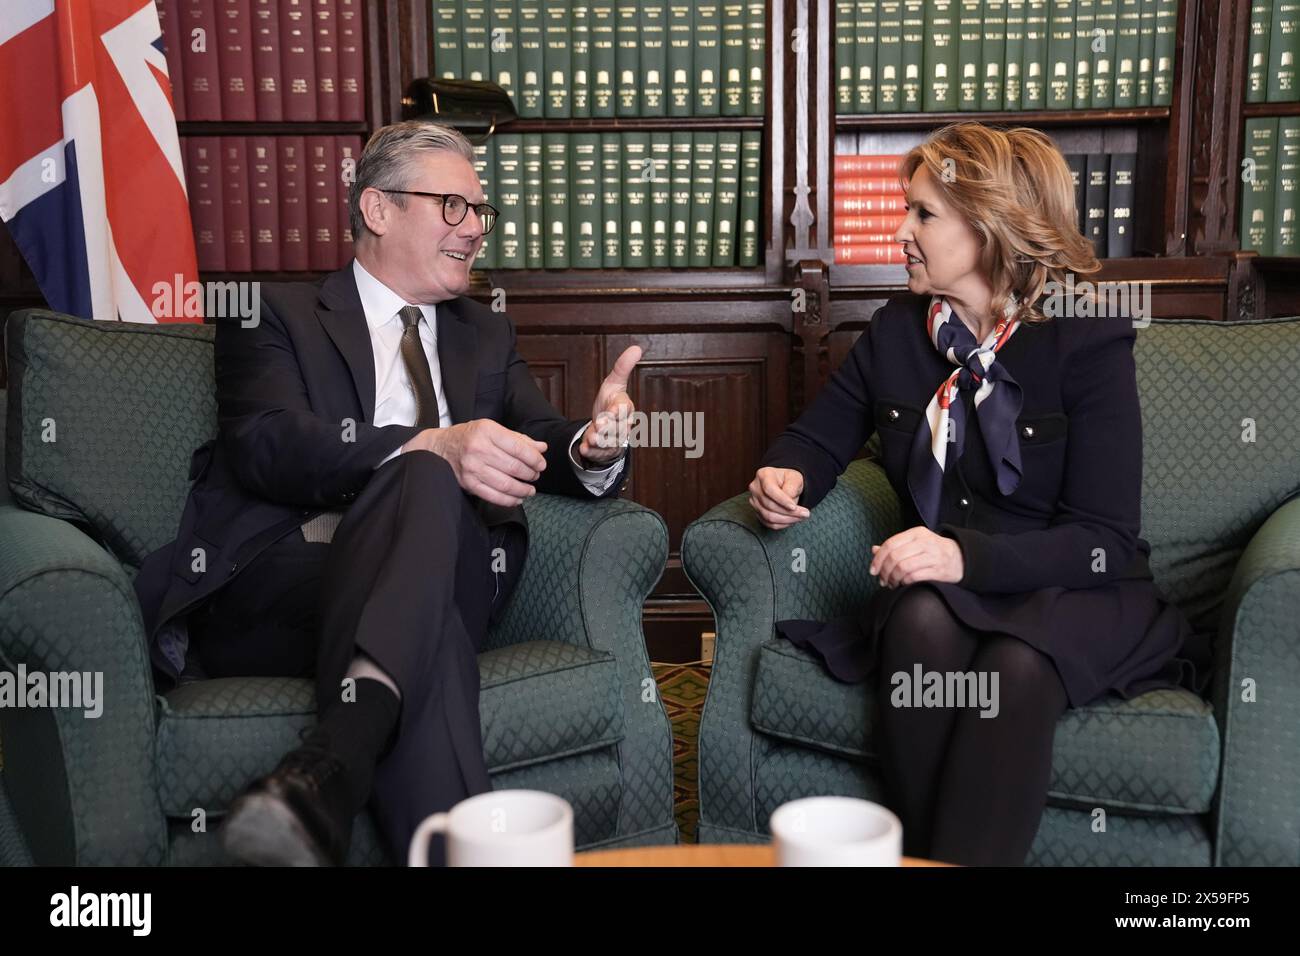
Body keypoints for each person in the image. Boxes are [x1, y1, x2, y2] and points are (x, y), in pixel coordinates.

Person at [133, 121, 643, 866]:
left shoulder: (483, 335)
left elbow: (541, 436)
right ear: (377, 209)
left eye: (480, 211)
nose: (475, 229)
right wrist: (427, 445)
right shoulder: (276, 312)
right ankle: (361, 770)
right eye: (453, 207)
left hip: (455, 569)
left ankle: (328, 770)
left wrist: (593, 445)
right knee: (428, 581)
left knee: (430, 495)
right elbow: (266, 442)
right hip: (286, 585)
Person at [746, 122, 1208, 866]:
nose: (899, 231)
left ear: (990, 226)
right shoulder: (896, 334)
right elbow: (818, 436)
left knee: (1012, 668)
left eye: (922, 214)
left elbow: (1103, 541)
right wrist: (786, 473)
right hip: (939, 584)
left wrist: (961, 556)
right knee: (918, 623)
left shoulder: (1086, 345)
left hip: (1072, 589)